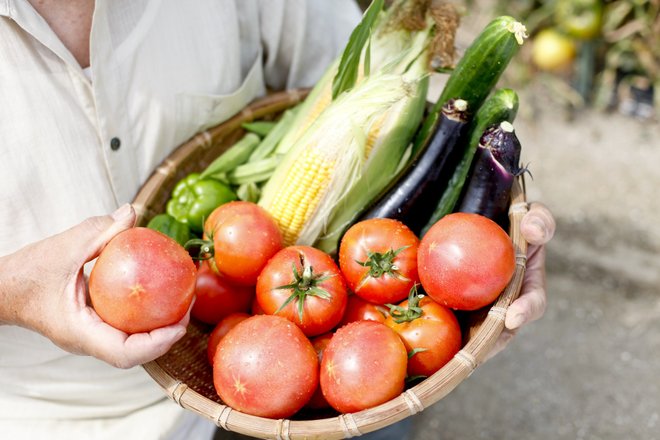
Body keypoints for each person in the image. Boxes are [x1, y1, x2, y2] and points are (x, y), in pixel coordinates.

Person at [0, 1, 555, 439]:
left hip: (335, 395)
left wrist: (496, 241)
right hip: (44, 418)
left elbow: (360, 94)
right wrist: (12, 293)